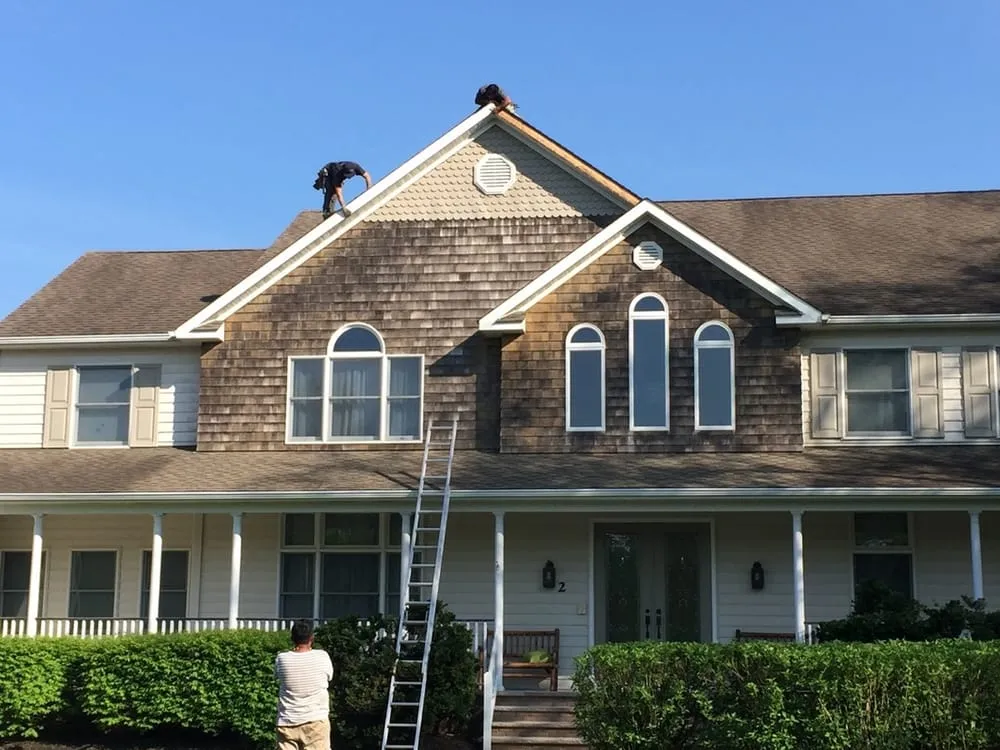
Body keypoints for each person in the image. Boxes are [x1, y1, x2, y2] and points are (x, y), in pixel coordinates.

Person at [274, 620, 334, 750]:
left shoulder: (282, 658)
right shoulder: (322, 656)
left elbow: (277, 677)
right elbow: (329, 677)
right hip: (315, 721)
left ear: (292, 638)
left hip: (287, 722)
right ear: (312, 637)